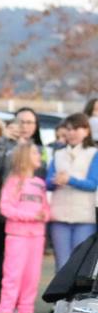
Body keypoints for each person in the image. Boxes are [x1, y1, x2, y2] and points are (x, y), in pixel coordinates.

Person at [0, 143, 49, 313]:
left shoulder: (40, 184)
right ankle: (5, 312)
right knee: (12, 274)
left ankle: (25, 312)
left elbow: (46, 209)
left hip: (37, 237)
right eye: (35, 153)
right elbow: (5, 208)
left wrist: (44, 215)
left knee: (32, 276)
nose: (39, 156)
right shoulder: (13, 181)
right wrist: (30, 217)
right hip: (17, 236)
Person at [46, 112, 98, 270]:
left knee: (80, 263)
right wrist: (55, 181)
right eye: (68, 129)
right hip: (59, 216)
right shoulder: (58, 153)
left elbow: (93, 183)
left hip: (84, 217)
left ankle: (76, 296)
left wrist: (70, 180)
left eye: (77, 129)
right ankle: (60, 296)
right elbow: (47, 183)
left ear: (86, 131)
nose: (72, 133)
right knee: (62, 264)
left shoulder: (94, 153)